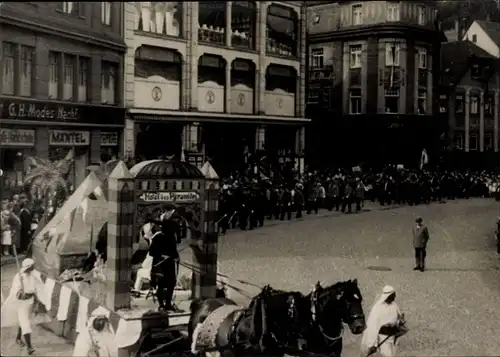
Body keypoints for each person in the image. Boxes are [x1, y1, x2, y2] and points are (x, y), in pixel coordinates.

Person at [2, 258, 47, 355]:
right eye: (32, 266)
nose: (34, 267)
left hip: (29, 302)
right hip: (20, 304)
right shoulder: (19, 277)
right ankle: (29, 347)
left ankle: (18, 338)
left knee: (23, 321)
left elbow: (38, 288)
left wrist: (37, 300)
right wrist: (20, 294)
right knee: (25, 323)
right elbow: (14, 291)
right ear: (29, 267)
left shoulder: (34, 275)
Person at [361, 285, 407, 357]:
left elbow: (398, 319)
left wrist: (400, 321)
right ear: (388, 296)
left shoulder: (395, 305)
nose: (395, 297)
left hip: (392, 337)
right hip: (382, 338)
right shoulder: (378, 307)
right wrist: (373, 344)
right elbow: (373, 326)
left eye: (394, 295)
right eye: (393, 295)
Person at [148, 210, 180, 312]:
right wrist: (162, 256)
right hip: (159, 266)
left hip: (170, 265)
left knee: (171, 284)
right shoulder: (157, 237)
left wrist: (177, 257)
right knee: (161, 286)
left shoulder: (171, 238)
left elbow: (174, 251)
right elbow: (151, 252)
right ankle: (161, 304)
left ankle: (168, 304)